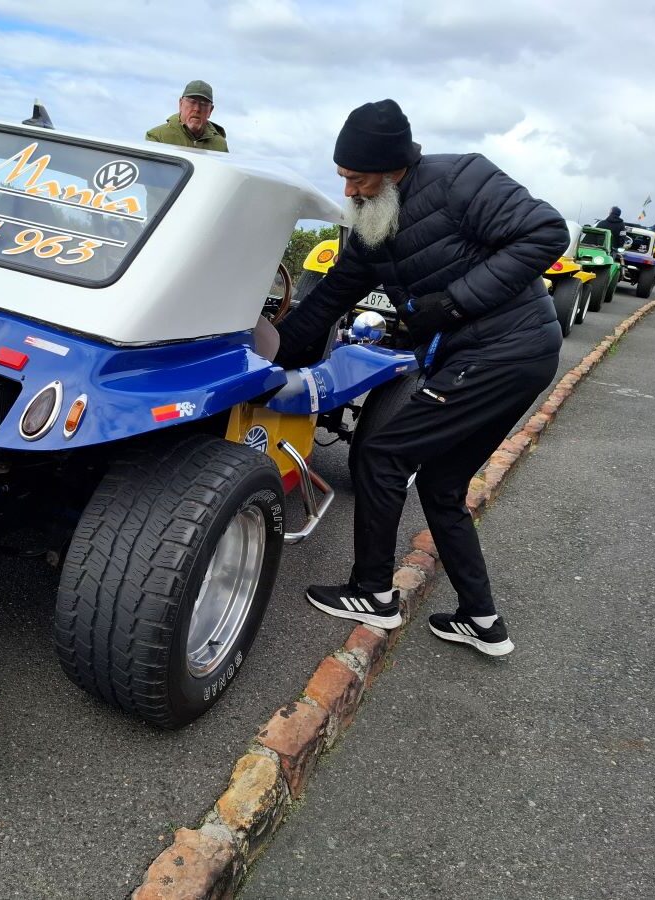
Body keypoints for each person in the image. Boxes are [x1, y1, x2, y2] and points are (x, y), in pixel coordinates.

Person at [274, 99, 568, 657]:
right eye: (343, 179)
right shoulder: (371, 225)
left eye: (357, 180)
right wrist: (271, 353)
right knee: (441, 485)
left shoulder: (463, 178)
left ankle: (373, 593)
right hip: (492, 355)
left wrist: (451, 305)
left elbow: (547, 234)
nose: (349, 193)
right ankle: (482, 620)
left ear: (390, 169)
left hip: (506, 351)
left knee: (382, 453)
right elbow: (332, 295)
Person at [146, 80, 228, 151]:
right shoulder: (157, 137)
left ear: (210, 110)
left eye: (203, 104)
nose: (197, 109)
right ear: (181, 104)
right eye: (192, 102)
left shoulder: (221, 145)